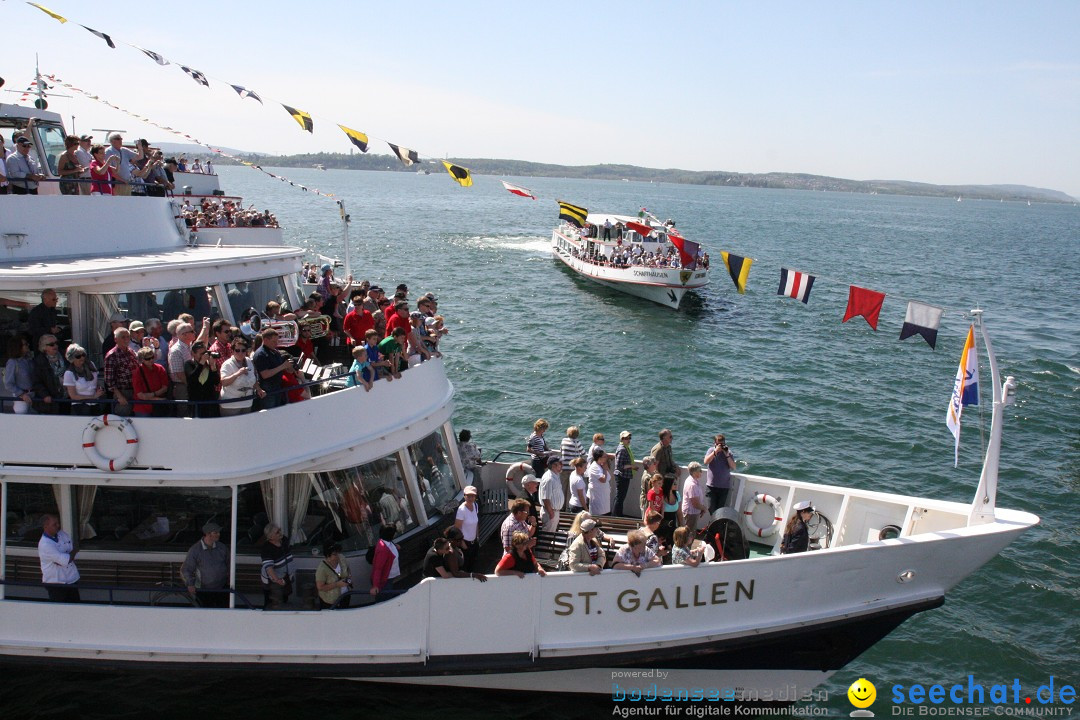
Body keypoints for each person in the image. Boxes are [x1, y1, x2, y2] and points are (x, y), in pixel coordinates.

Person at [180, 522, 230, 607]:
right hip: (204, 590)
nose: (219, 534)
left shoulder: (222, 547)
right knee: (205, 614)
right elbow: (187, 569)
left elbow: (228, 564)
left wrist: (229, 578)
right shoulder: (195, 550)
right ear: (208, 534)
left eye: (218, 532)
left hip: (222, 588)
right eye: (216, 533)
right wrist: (190, 584)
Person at [38, 514, 80, 602]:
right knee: (59, 610)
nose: (58, 526)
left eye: (58, 523)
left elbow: (70, 550)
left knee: (76, 608)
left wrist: (67, 556)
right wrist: (72, 553)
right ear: (46, 527)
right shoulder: (45, 544)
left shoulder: (62, 534)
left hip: (71, 579)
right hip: (56, 582)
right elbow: (66, 559)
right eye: (55, 524)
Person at [252, 327, 294, 410]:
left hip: (277, 387)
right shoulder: (261, 354)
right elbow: (265, 374)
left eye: (277, 341)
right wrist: (283, 366)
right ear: (266, 340)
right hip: (268, 390)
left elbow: (279, 366)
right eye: (274, 341)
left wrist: (289, 367)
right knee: (270, 412)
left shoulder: (274, 351)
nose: (276, 344)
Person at [219, 338, 263, 416]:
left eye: (243, 350)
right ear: (232, 351)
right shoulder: (227, 364)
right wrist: (237, 374)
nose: (240, 353)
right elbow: (224, 382)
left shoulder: (249, 361)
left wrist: (259, 389)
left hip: (247, 402)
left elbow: (253, 379)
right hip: (231, 405)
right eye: (237, 350)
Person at [104, 327, 139, 417]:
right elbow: (109, 381)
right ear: (116, 339)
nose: (126, 339)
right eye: (123, 337)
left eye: (128, 337)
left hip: (135, 391)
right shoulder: (111, 356)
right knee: (122, 420)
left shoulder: (131, 352)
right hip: (122, 392)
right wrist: (119, 396)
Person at [62, 343, 104, 415]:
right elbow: (73, 396)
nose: (82, 358)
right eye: (78, 356)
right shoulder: (69, 373)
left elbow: (96, 383)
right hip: (80, 407)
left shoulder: (91, 365)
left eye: (83, 355)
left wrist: (99, 389)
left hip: (95, 405)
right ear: (72, 359)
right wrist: (92, 397)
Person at [31, 334, 68, 415]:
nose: (55, 346)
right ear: (44, 347)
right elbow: (36, 381)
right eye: (51, 344)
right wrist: (45, 395)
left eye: (56, 343)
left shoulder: (65, 356)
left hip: (67, 397)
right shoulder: (39, 361)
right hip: (51, 400)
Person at [184, 341, 221, 418]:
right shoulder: (189, 364)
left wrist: (213, 366)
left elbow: (216, 382)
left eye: (205, 353)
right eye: (201, 354)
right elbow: (192, 378)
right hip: (196, 402)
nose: (204, 356)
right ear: (193, 354)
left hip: (210, 402)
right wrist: (201, 363)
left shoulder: (209, 364)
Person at [260, 523, 293, 609]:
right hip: (273, 581)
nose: (280, 533)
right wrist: (277, 580)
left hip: (285, 577)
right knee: (271, 603)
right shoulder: (266, 548)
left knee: (285, 599)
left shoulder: (284, 540)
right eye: (277, 532)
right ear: (270, 537)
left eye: (280, 530)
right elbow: (269, 568)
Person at [131, 346, 169, 417]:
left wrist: (151, 396)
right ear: (142, 360)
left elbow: (165, 388)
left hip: (159, 408)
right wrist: (157, 398)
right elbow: (141, 395)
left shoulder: (160, 369)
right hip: (142, 408)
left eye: (152, 357)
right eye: (147, 359)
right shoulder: (137, 373)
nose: (151, 360)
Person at [704, 434, 737, 513]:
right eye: (719, 444)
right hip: (711, 486)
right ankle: (713, 524)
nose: (721, 446)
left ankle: (715, 525)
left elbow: (733, 467)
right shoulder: (711, 450)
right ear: (715, 444)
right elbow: (706, 461)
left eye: (722, 444)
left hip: (723, 487)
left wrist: (727, 455)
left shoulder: (728, 453)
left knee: (720, 510)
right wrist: (715, 452)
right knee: (711, 508)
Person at [315, 542, 353, 609]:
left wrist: (349, 577)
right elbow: (320, 587)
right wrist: (337, 584)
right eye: (335, 554)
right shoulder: (322, 569)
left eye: (338, 552)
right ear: (328, 556)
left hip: (345, 596)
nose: (338, 556)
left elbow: (347, 569)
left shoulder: (342, 558)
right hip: (331, 602)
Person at [104, 132, 142, 196]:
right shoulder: (108, 151)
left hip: (126, 182)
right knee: (117, 203)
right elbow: (109, 169)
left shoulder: (124, 150)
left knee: (126, 204)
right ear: (112, 141)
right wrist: (122, 180)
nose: (120, 140)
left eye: (121, 139)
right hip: (116, 182)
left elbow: (140, 157)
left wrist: (140, 147)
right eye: (118, 139)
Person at [4, 335, 34, 414]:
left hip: (33, 396)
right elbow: (8, 383)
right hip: (21, 399)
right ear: (18, 347)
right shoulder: (13, 363)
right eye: (25, 344)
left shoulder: (29, 360)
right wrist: (22, 394)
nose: (28, 346)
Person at [454, 485, 480, 572]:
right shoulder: (462, 510)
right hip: (465, 543)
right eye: (468, 496)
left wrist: (477, 537)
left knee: (473, 563)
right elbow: (457, 528)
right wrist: (462, 543)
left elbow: (476, 523)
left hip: (474, 541)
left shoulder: (475, 505)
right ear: (464, 496)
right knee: (466, 566)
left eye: (472, 496)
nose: (470, 498)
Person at [369, 525, 401, 595]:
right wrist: (375, 586)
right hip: (385, 581)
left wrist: (395, 547)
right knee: (385, 599)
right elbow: (378, 569)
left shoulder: (386, 542)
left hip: (389, 578)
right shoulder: (383, 550)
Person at [539, 456, 565, 532]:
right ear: (554, 466)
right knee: (548, 536)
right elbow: (546, 498)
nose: (562, 465)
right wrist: (551, 513)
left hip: (554, 511)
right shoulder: (549, 479)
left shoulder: (556, 475)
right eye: (560, 463)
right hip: (550, 512)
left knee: (551, 533)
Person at [585, 446, 612, 517]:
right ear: (599, 458)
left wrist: (605, 469)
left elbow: (608, 477)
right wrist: (605, 469)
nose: (606, 458)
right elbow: (603, 479)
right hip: (597, 496)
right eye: (604, 457)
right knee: (597, 515)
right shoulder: (594, 467)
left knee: (603, 514)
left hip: (602, 495)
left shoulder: (600, 466)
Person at [613, 430, 635, 516]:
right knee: (619, 498)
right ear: (621, 439)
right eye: (626, 438)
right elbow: (619, 466)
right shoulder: (622, 449)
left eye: (629, 438)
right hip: (622, 477)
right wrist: (631, 466)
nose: (628, 440)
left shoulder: (625, 448)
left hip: (625, 476)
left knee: (621, 497)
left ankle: (618, 515)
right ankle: (616, 516)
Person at [681, 462, 707, 535]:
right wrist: (704, 508)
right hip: (691, 513)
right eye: (700, 470)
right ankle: (687, 546)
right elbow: (695, 504)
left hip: (692, 512)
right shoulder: (692, 485)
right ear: (695, 472)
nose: (701, 472)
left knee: (690, 532)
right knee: (690, 534)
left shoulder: (693, 481)